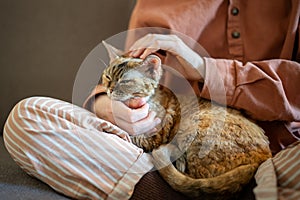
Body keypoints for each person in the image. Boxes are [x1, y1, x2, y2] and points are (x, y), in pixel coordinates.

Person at [3, 0, 300, 199]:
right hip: (161, 151)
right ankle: (172, 191)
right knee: (25, 118)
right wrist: (106, 105)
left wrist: (205, 69)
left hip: (283, 153)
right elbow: (125, 71)